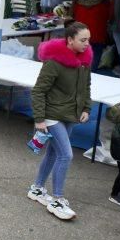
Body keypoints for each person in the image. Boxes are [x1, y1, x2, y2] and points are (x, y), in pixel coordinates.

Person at [27, 22, 93, 221]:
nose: (87, 44)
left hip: (70, 115)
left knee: (54, 153)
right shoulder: (54, 62)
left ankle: (37, 189)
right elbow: (38, 91)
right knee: (66, 155)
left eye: (88, 39)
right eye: (83, 40)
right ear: (70, 40)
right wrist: (39, 119)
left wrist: (86, 108)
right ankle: (57, 199)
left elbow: (86, 87)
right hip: (52, 116)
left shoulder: (84, 61)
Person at [72, 0, 110, 69]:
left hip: (80, 33)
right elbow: (109, 15)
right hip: (98, 34)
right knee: (94, 63)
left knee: (78, 62)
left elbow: (72, 14)